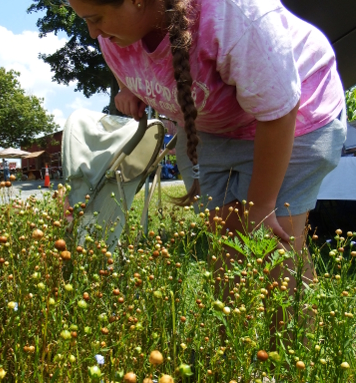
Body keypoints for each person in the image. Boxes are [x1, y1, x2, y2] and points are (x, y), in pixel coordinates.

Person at [69, 0, 346, 261]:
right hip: (212, 130)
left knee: (274, 255)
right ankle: (238, 314)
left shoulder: (233, 14)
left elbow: (279, 110)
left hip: (291, 119)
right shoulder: (113, 36)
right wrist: (129, 87)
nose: (93, 33)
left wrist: (261, 207)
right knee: (227, 255)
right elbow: (130, 64)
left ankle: (300, 312)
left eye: (96, 18)